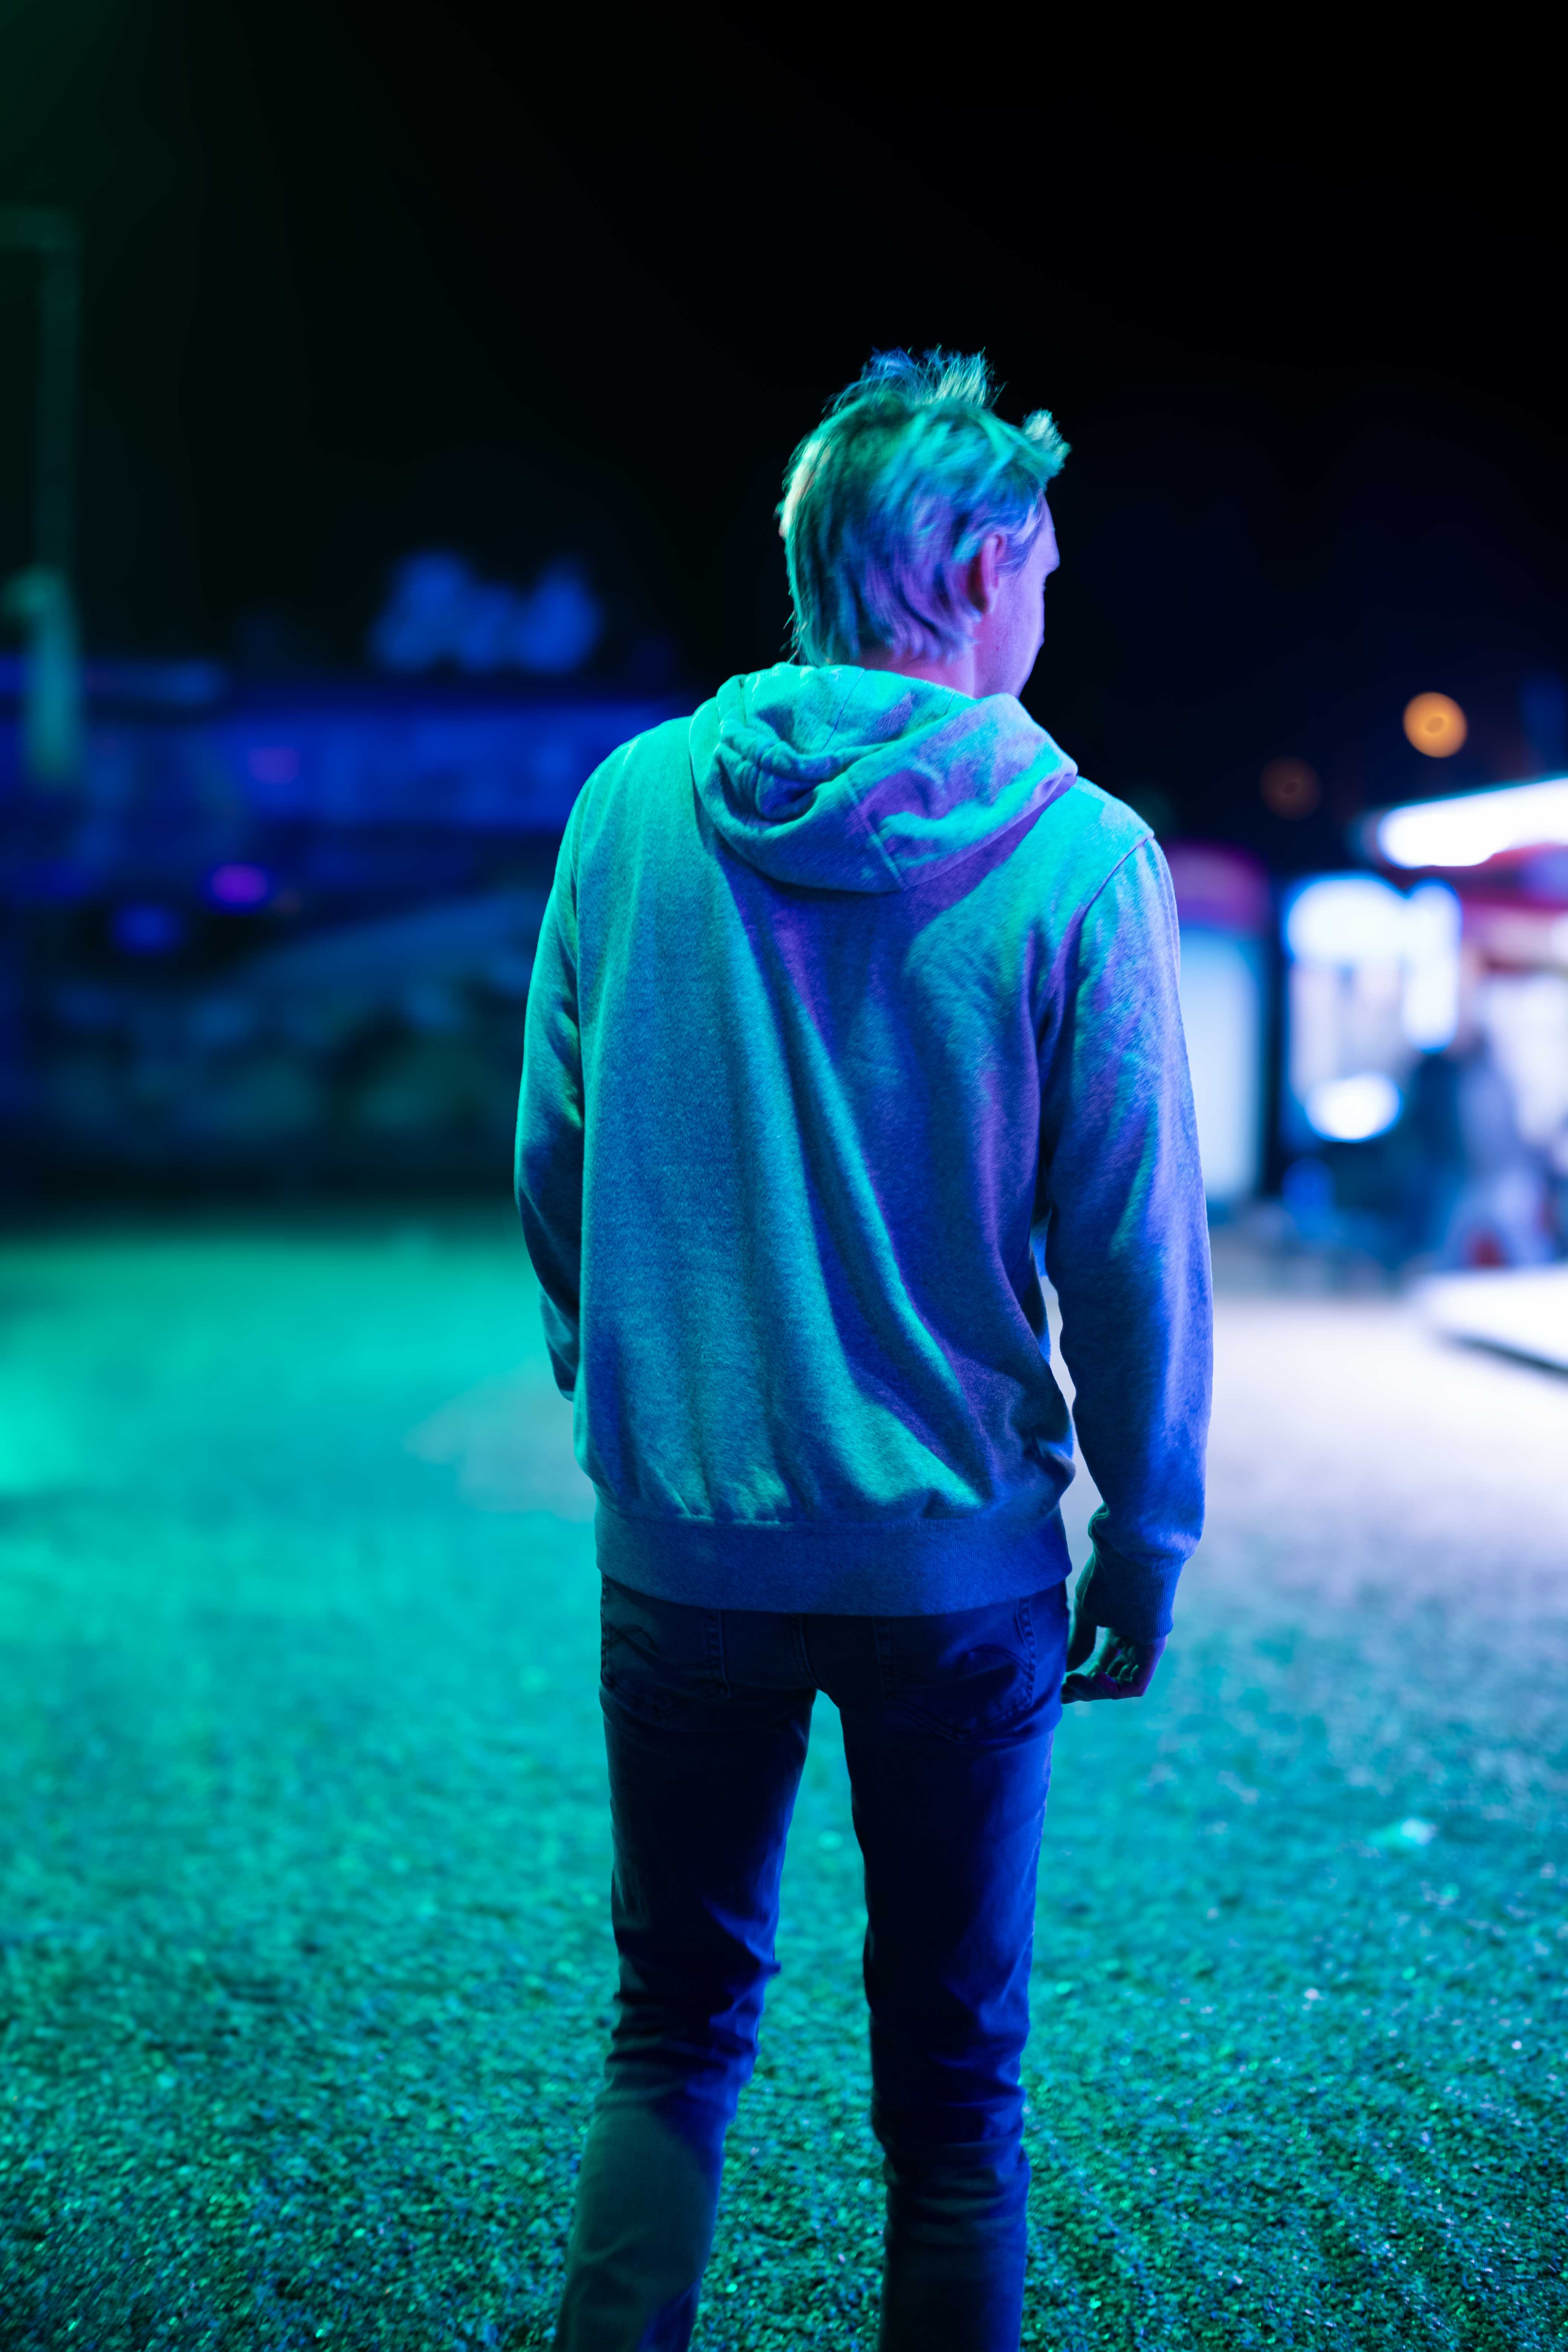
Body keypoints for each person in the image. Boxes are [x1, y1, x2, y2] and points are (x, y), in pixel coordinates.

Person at [516, 349, 1212, 2352]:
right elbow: (1131, 1250)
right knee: (957, 2104)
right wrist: (1146, 1535)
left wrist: (629, 1393)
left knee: (671, 2036)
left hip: (687, 1551)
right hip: (955, 1569)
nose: (1050, 610)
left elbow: (553, 1157)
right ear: (984, 566)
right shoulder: (1078, 858)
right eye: (1049, 569)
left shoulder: (634, 811)